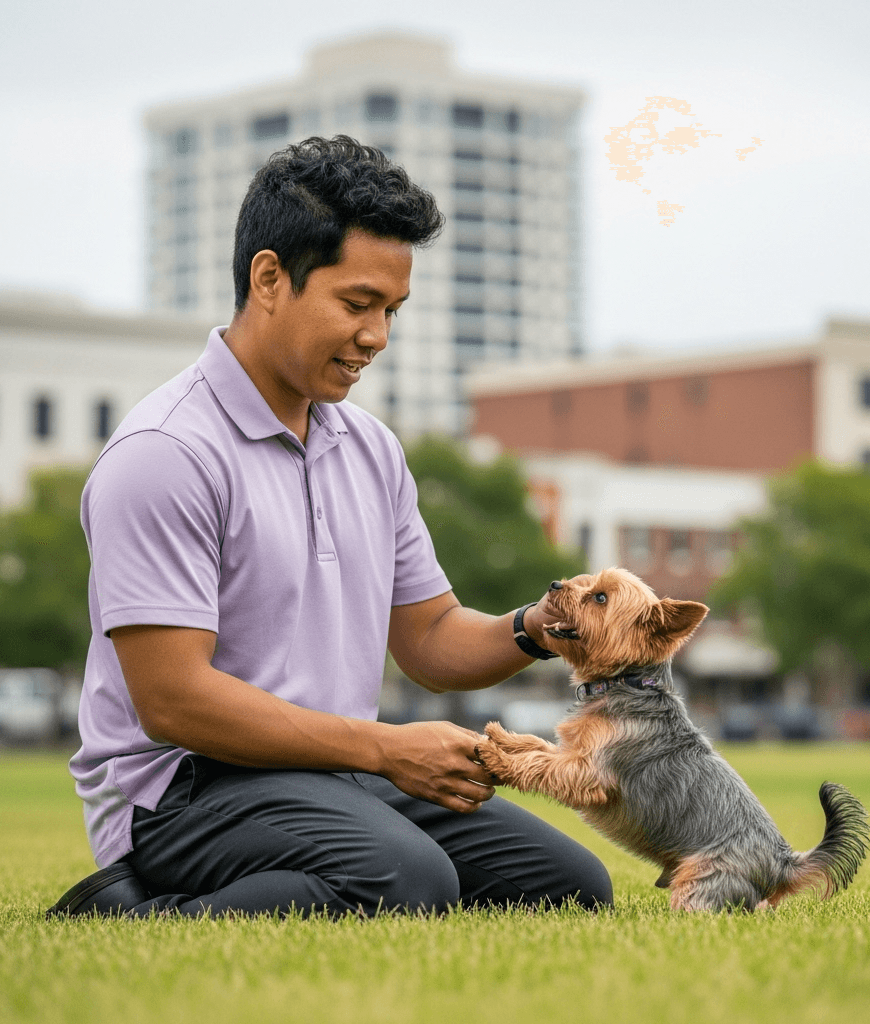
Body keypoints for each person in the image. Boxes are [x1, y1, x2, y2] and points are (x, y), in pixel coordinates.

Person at [47, 136, 612, 919]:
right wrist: (386, 748)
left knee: (566, 887)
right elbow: (174, 702)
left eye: (392, 311)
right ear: (269, 279)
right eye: (356, 304)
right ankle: (122, 914)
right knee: (408, 880)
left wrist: (535, 628)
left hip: (334, 769)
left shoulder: (370, 449)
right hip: (181, 789)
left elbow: (429, 638)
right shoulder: (165, 452)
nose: (377, 336)